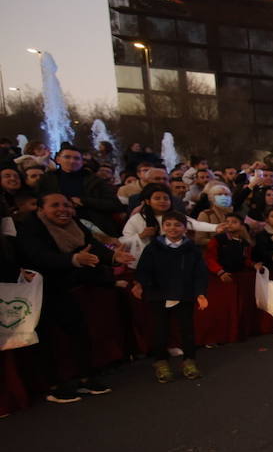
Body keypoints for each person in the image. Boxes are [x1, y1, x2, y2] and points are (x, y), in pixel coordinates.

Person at [17, 192, 134, 402]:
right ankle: (54, 387)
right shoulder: (30, 228)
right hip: (37, 289)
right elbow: (38, 256)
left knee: (78, 331)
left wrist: (113, 256)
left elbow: (92, 246)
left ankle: (85, 378)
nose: (63, 209)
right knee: (45, 339)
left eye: (67, 205)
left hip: (63, 286)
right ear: (41, 209)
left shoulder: (75, 224)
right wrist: (72, 259)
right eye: (55, 205)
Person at [132, 211, 209, 382]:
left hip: (184, 294)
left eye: (177, 225)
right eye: (168, 224)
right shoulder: (153, 248)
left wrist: (200, 293)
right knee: (160, 331)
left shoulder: (192, 250)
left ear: (184, 228)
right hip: (158, 295)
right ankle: (161, 363)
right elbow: (144, 269)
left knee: (187, 330)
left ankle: (189, 361)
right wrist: (139, 284)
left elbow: (200, 274)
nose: (172, 228)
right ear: (163, 227)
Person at [36, 143, 122, 237]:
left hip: (92, 223)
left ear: (82, 162)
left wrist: (83, 201)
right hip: (54, 224)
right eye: (67, 157)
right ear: (58, 159)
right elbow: (38, 201)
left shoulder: (95, 181)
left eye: (76, 158)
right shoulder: (47, 179)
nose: (72, 161)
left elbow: (114, 204)